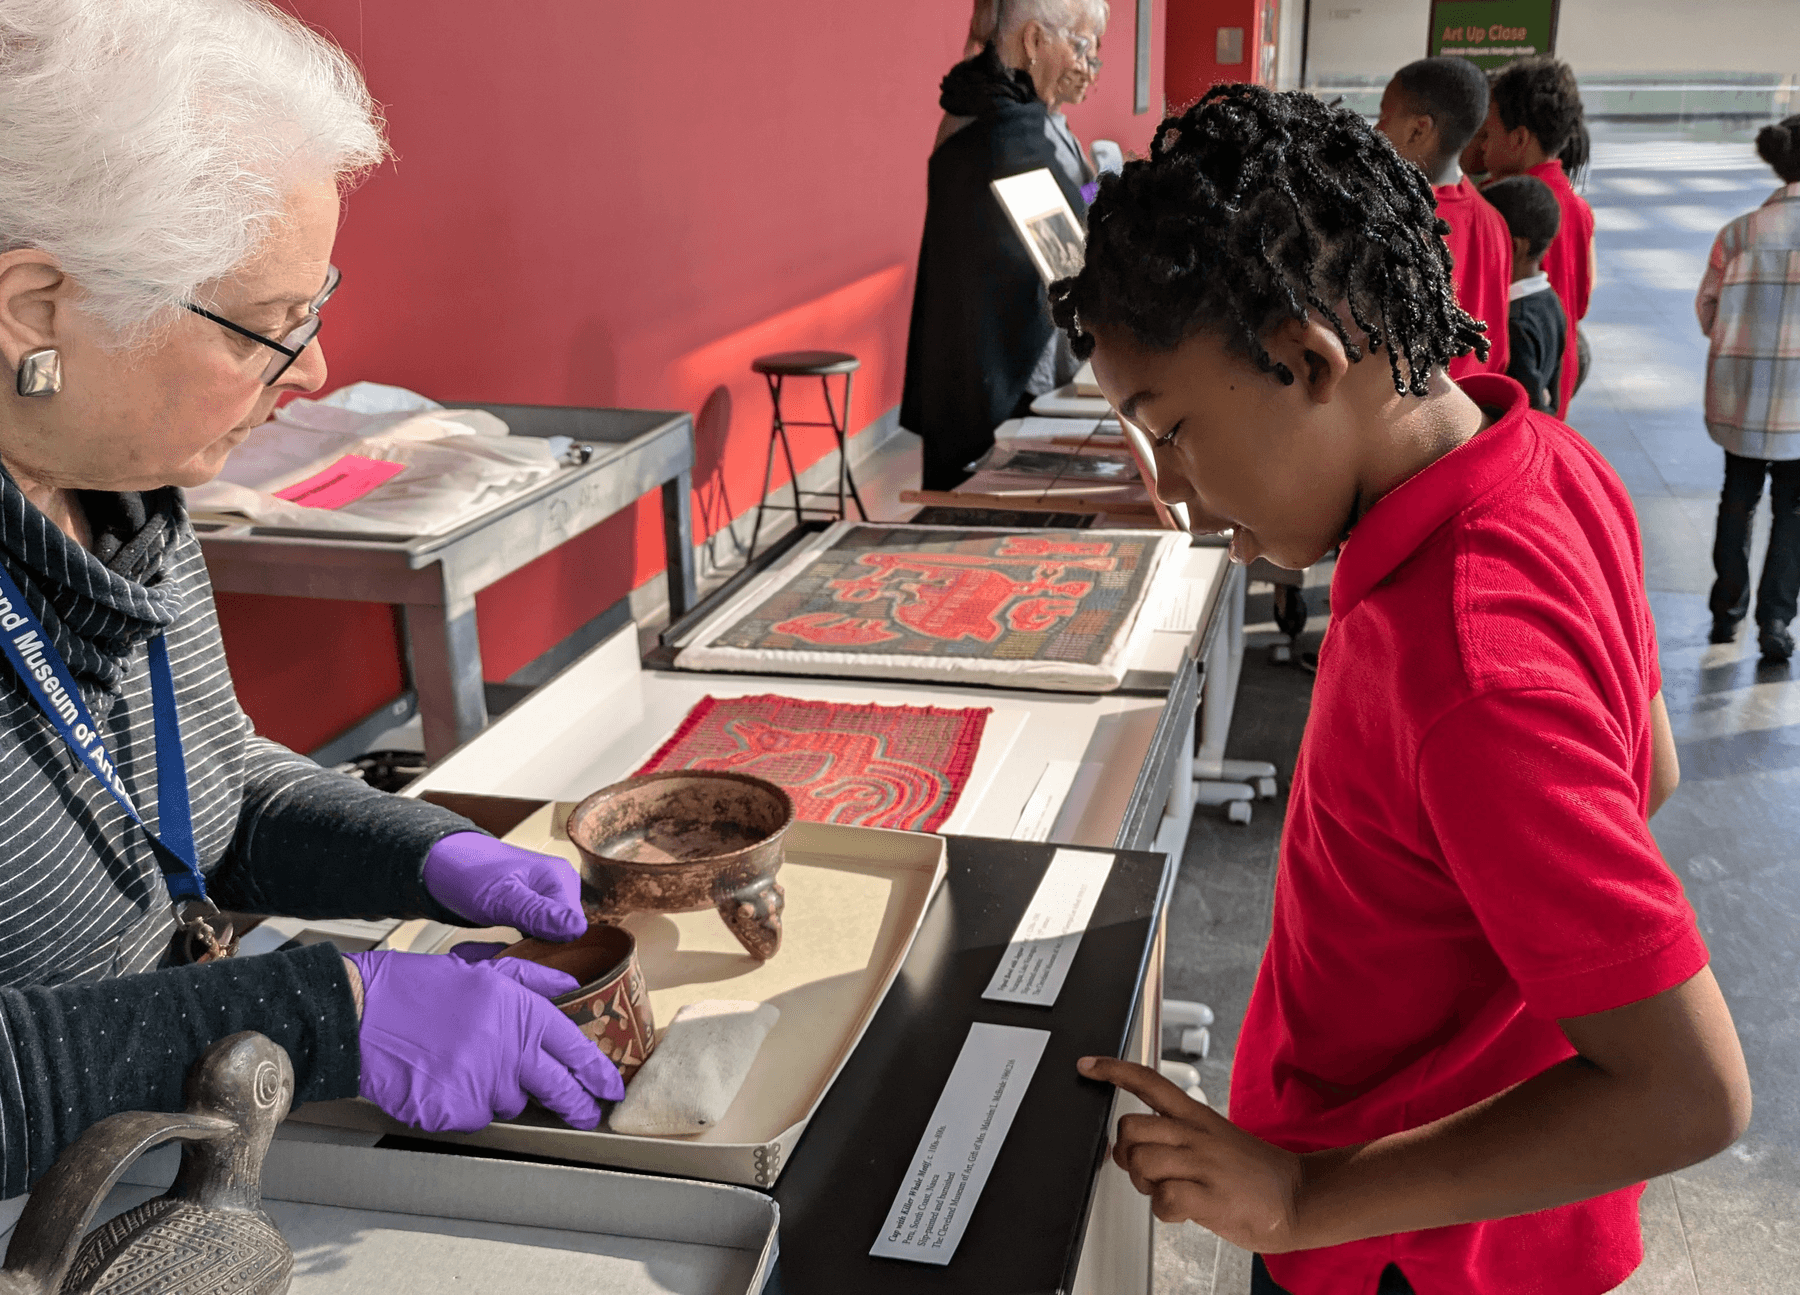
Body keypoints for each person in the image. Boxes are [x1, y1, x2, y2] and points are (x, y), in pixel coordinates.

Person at [1053, 85, 1750, 1295]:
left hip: (1409, 1247)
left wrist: (1309, 1192)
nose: (1177, 491)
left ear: (1310, 359)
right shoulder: (1544, 457)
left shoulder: (1469, 663)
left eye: (1173, 431)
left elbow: (1688, 1087)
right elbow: (1652, 770)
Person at [0, 0, 623, 1200]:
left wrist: (433, 855)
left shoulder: (120, 489)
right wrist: (326, 1012)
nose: (315, 370)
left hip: (166, 1148)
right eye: (269, 328)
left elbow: (207, 792)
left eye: (313, 310)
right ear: (36, 307)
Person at [902, 0, 1108, 491]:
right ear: (1034, 42)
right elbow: (1070, 259)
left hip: (983, 365)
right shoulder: (1002, 132)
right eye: (1078, 45)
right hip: (992, 380)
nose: (1083, 63)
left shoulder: (988, 108)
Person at [1695, 115, 1800, 663]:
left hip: (1739, 397)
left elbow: (1707, 311)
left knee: (1736, 502)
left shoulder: (1737, 233)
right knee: (1795, 512)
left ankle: (1725, 614)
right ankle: (1776, 622)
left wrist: (1741, 342)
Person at [1375, 56, 1511, 382]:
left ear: (1418, 130)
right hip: (1471, 408)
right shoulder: (1494, 222)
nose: (1375, 130)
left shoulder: (1394, 219)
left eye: (1383, 117)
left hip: (1415, 412)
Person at [1476, 56, 1595, 418]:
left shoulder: (1501, 211)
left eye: (1487, 133)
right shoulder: (1576, 207)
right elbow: (1582, 299)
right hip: (1555, 370)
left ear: (1518, 139)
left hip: (1517, 382)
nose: (1480, 146)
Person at [1483, 175, 1566, 413]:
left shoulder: (1515, 322)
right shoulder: (1550, 301)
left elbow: (1530, 408)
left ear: (1515, 247)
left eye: (1489, 235)